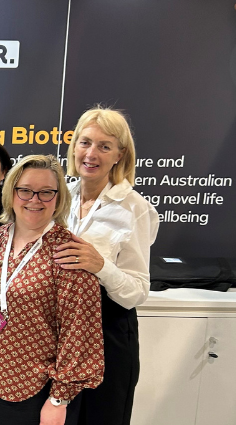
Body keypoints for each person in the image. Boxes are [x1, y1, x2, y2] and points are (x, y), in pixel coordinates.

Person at [0, 155, 104, 425]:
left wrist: (59, 400)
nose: (35, 200)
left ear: (58, 197)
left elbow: (79, 333)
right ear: (12, 193)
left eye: (46, 192)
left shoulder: (69, 253)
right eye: (25, 190)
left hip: (36, 392)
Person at [53, 107, 159, 425]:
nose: (91, 153)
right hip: (62, 334)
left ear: (120, 155)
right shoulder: (60, 199)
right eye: (85, 142)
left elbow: (137, 291)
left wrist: (101, 266)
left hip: (109, 333)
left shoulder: (135, 209)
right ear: (74, 146)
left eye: (104, 146)